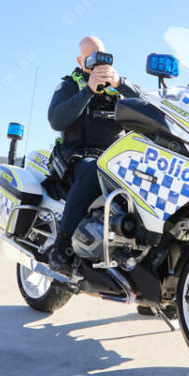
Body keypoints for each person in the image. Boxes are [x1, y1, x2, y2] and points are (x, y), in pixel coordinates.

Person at [47, 36, 141, 276]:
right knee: (94, 170)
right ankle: (62, 248)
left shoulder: (117, 88)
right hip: (76, 157)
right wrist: (89, 89)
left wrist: (120, 83)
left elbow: (145, 105)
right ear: (80, 61)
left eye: (102, 58)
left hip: (114, 158)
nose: (98, 64)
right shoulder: (70, 85)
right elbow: (56, 119)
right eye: (91, 59)